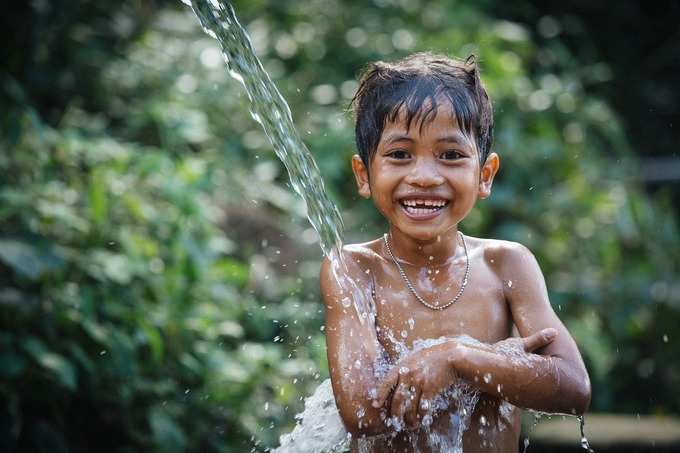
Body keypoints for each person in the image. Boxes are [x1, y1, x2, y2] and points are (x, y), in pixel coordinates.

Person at [319, 52, 591, 452]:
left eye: (450, 155)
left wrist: (460, 358)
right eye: (399, 155)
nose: (424, 177)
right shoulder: (356, 270)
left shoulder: (506, 265)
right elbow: (363, 413)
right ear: (365, 175)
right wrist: (496, 361)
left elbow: (573, 388)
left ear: (484, 175)